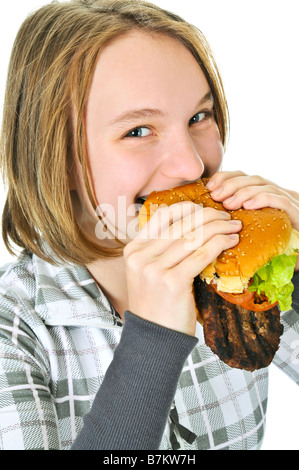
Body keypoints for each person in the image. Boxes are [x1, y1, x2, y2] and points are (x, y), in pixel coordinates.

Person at [0, 0, 298, 451]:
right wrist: (153, 341)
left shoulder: (239, 270)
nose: (191, 165)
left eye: (199, 117)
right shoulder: (14, 329)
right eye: (138, 130)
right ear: (54, 159)